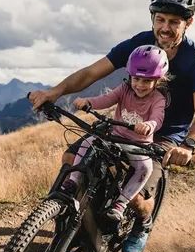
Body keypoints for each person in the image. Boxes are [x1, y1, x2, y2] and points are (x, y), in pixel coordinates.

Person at [29, 0, 195, 252]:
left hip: (164, 136)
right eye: (160, 19)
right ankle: (67, 214)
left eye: (174, 22)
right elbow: (91, 73)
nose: (165, 28)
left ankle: (143, 224)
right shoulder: (139, 44)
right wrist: (54, 92)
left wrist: (189, 145)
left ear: (188, 22)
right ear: (152, 18)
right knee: (72, 158)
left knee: (137, 195)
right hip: (124, 124)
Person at [62, 45, 168, 228]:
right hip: (114, 137)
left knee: (145, 167)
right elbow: (107, 99)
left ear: (158, 80)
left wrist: (149, 125)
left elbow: (157, 118)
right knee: (88, 143)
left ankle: (121, 203)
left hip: (138, 145)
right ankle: (73, 181)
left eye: (147, 81)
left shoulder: (158, 99)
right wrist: (88, 102)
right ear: (130, 76)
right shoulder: (125, 89)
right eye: (136, 79)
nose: (140, 85)